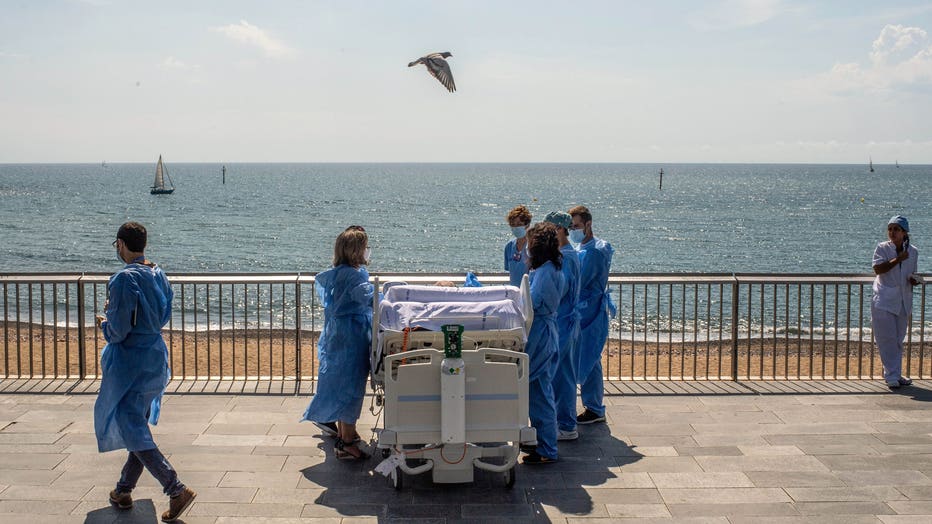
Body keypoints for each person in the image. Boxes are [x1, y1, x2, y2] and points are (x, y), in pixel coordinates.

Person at [93, 222, 196, 523]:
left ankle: (175, 488)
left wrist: (103, 325)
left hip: (131, 361)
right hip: (154, 354)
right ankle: (123, 489)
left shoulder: (124, 279)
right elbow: (163, 314)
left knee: (129, 423)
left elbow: (119, 329)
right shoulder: (158, 273)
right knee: (135, 423)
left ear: (122, 245)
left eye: (117, 246)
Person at [302, 226, 374, 460]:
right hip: (350, 338)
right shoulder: (353, 276)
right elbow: (370, 298)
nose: (367, 251)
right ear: (357, 251)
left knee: (341, 385)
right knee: (351, 388)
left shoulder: (340, 273)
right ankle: (346, 441)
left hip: (338, 335)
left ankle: (346, 437)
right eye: (365, 247)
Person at [522, 222, 565, 464]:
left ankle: (547, 448)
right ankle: (541, 441)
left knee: (539, 392)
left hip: (541, 335)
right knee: (538, 390)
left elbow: (534, 304)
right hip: (544, 332)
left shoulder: (548, 272)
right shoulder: (551, 269)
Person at [569, 205, 615, 425]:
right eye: (571, 227)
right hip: (584, 308)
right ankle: (593, 405)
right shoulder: (583, 247)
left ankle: (595, 407)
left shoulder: (595, 250)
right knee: (586, 357)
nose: (573, 230)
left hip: (591, 310)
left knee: (591, 357)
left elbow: (583, 280)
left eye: (577, 226)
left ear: (588, 224)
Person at [544, 211, 581, 442]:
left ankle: (566, 425)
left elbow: (561, 290)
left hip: (563, 321)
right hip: (566, 321)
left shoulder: (566, 258)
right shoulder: (567, 255)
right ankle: (563, 422)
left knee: (563, 376)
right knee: (562, 373)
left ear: (559, 229)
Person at [871, 215, 920, 389]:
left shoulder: (912, 251)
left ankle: (895, 373)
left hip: (903, 301)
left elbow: (911, 273)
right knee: (886, 338)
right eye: (890, 228)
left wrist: (914, 280)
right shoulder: (882, 248)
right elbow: (878, 269)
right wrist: (898, 259)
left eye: (896, 229)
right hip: (884, 299)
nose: (892, 232)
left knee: (899, 339)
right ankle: (891, 375)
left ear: (904, 232)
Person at [504, 205, 532, 287]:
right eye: (513, 224)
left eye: (519, 224)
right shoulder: (509, 247)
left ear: (527, 225)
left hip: (530, 293)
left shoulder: (533, 246)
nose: (516, 227)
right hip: (515, 293)